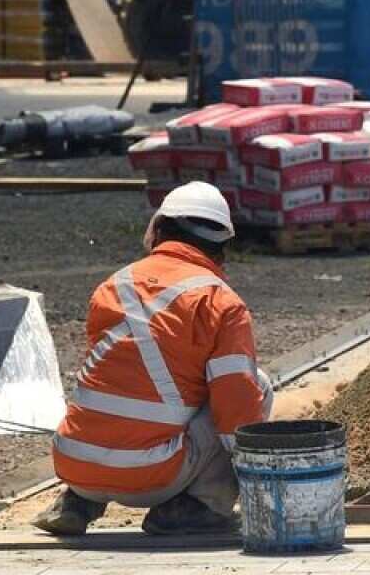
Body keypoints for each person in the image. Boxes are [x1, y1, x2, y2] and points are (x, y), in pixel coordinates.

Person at [33, 181, 274, 536]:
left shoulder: (113, 286)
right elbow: (237, 411)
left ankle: (77, 502)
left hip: (73, 461)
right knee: (257, 386)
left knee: (125, 391)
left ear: (157, 230)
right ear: (221, 250)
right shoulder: (221, 303)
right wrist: (257, 482)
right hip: (153, 478)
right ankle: (197, 508)